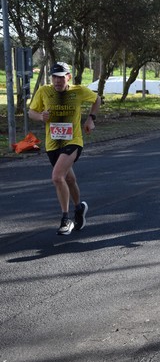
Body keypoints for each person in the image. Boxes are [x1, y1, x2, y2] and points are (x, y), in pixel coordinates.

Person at [28, 62, 101, 235]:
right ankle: (79, 209)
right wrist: (40, 116)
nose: (58, 81)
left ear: (68, 76)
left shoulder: (78, 90)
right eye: (54, 77)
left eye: (61, 77)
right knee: (68, 180)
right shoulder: (44, 91)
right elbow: (31, 112)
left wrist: (91, 119)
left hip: (73, 141)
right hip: (52, 144)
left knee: (57, 177)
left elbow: (96, 99)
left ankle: (65, 219)